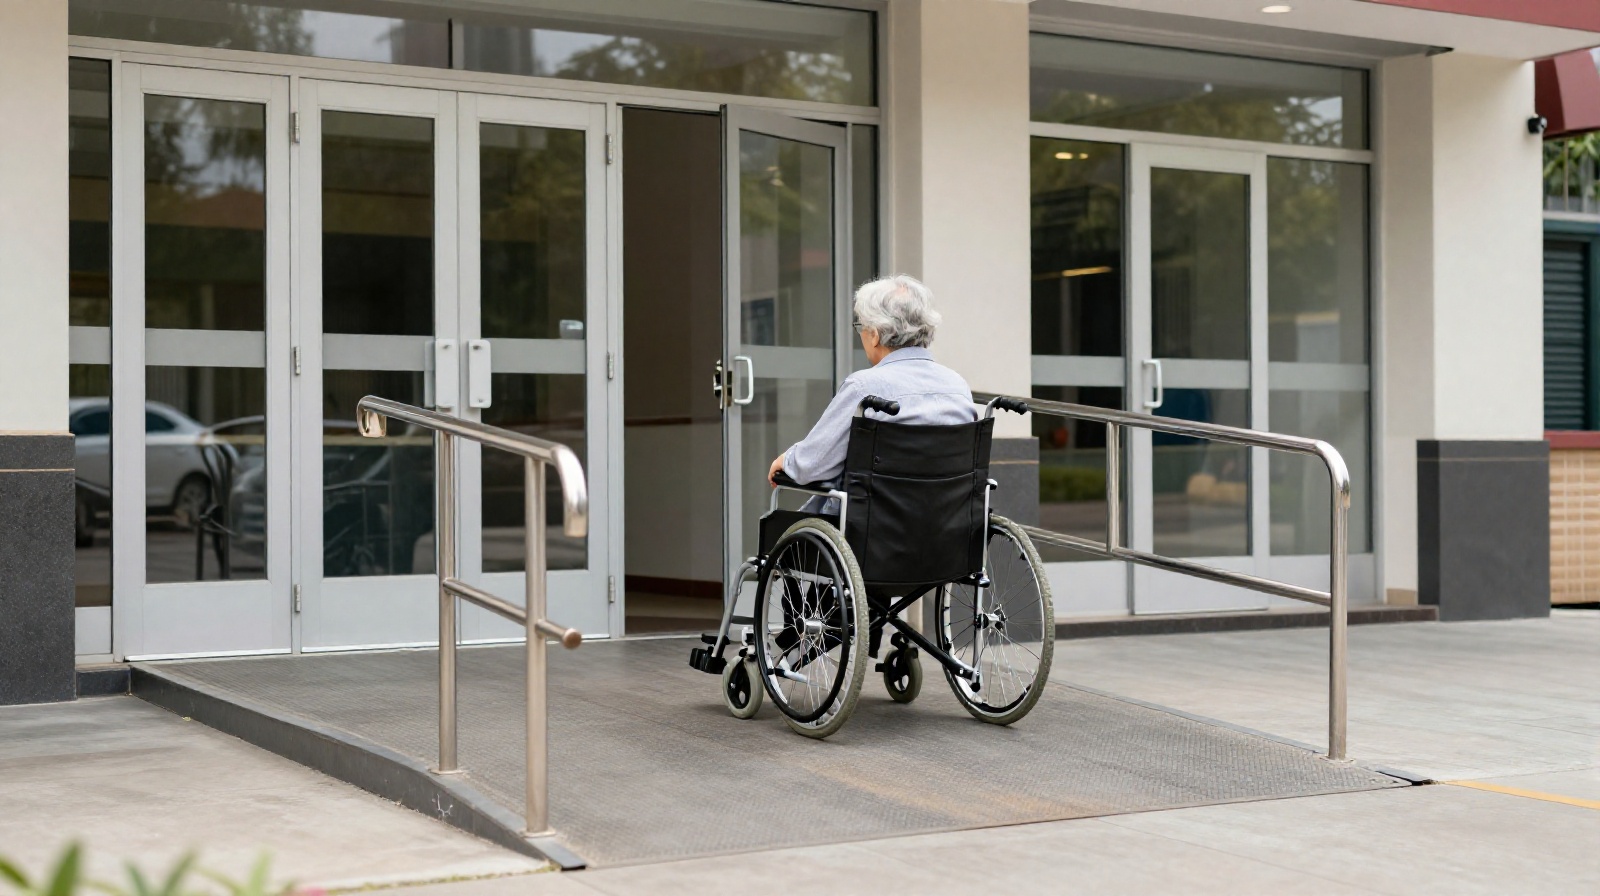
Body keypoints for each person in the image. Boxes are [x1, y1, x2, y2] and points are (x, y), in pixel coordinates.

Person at [769, 275, 977, 494]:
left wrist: (789, 460)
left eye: (861, 327)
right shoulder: (958, 386)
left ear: (875, 335)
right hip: (948, 519)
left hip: (874, 521)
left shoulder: (864, 388)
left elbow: (812, 466)